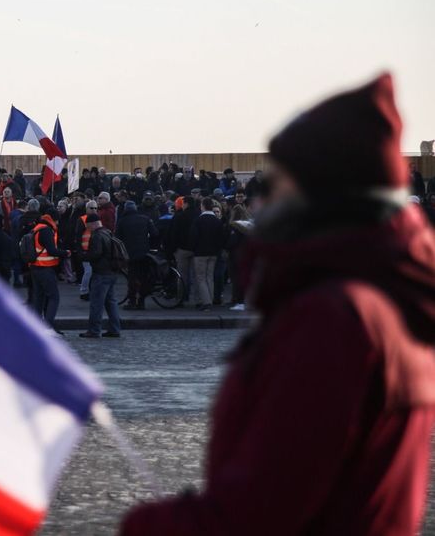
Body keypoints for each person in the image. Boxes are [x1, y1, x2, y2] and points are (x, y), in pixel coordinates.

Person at [121, 73, 435, 535]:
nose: (263, 198)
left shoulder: (333, 317)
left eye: (279, 181)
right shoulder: (388, 299)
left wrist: (143, 525)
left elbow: (260, 509)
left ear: (321, 190)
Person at [79, 215, 123, 338]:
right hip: (112, 271)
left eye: (88, 227)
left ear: (92, 224)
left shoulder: (97, 236)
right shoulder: (107, 232)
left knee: (96, 303)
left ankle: (94, 330)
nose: (88, 229)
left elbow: (96, 253)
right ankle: (115, 328)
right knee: (111, 302)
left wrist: (83, 256)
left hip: (101, 273)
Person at [28, 208, 69, 334]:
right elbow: (51, 250)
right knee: (53, 297)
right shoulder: (46, 230)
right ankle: (48, 326)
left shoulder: (37, 228)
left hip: (35, 267)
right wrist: (65, 253)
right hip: (45, 267)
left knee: (39, 298)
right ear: (54, 219)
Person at [115, 200, 158, 310]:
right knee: (144, 276)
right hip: (144, 252)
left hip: (130, 254)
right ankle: (141, 301)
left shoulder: (122, 221)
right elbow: (154, 234)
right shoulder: (145, 219)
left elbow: (117, 238)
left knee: (132, 277)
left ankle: (132, 301)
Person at [190, 197, 225, 311]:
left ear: (203, 206)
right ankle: (210, 298)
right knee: (210, 277)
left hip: (200, 253)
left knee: (201, 278)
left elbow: (194, 238)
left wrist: (194, 248)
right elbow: (221, 238)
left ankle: (206, 302)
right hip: (213, 253)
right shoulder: (217, 221)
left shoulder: (198, 220)